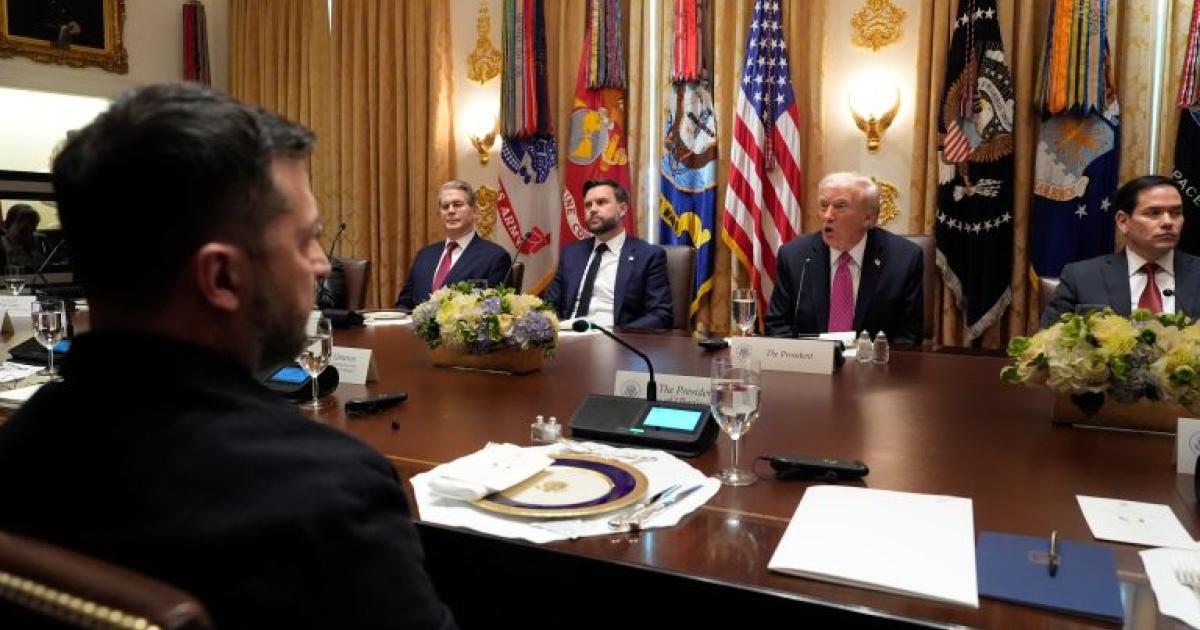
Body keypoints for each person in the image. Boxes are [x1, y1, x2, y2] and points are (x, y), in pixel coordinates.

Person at [0, 84, 456, 629]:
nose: (321, 265)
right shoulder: (328, 497)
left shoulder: (18, 448)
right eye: (306, 240)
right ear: (221, 277)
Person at [764, 172, 924, 345]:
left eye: (840, 206)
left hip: (872, 361)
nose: (827, 216)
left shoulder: (903, 259)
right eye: (824, 206)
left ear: (869, 217)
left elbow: (907, 337)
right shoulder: (794, 256)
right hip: (810, 360)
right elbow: (777, 326)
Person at [1041, 175, 1200, 326]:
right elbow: (1049, 340)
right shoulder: (1081, 277)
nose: (1168, 222)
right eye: (1154, 213)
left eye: (1176, 213)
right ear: (1123, 221)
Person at [542, 179, 673, 329]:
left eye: (601, 202)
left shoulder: (648, 256)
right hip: (568, 334)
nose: (593, 209)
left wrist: (618, 335)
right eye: (588, 205)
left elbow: (661, 314)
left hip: (615, 337)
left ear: (622, 209)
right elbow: (549, 305)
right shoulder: (571, 254)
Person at [394, 180, 511, 310]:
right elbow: (404, 303)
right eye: (445, 206)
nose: (450, 211)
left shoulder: (495, 257)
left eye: (457, 205)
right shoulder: (424, 255)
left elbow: (494, 312)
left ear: (475, 211)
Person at [1, 203, 45, 271]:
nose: (28, 235)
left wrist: (33, 252)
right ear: (8, 224)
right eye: (23, 230)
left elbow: (44, 269)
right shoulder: (2, 246)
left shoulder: (32, 246)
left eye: (32, 231)